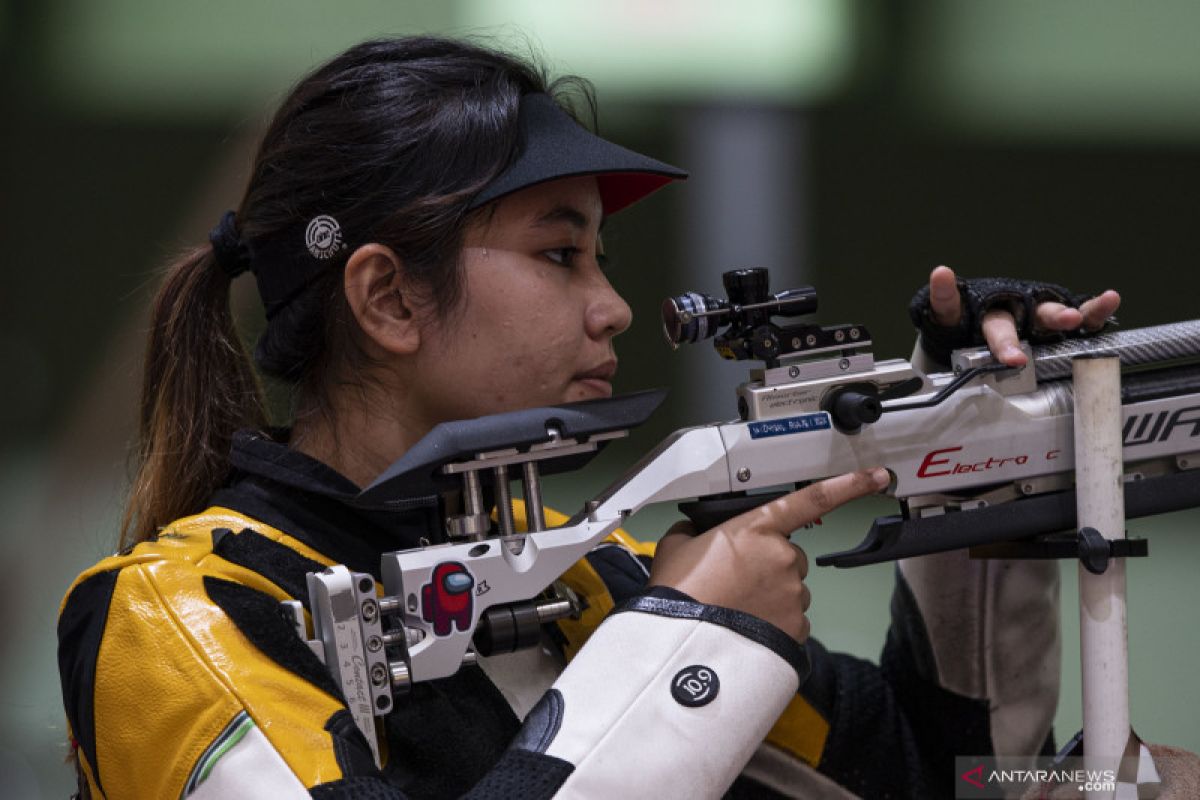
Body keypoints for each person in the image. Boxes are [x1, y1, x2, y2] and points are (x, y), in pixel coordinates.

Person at [56, 36, 1121, 800]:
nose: (612, 306)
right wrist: (691, 644)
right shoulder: (179, 619)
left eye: (599, 258)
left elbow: (963, 778)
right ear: (388, 299)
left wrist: (982, 457)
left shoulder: (591, 582)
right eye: (559, 252)